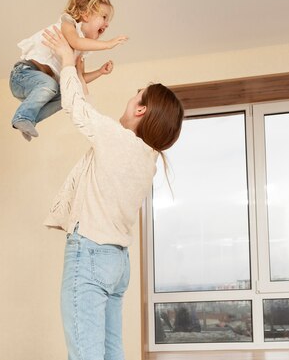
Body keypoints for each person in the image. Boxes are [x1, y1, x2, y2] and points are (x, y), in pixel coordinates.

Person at [42, 26, 184, 360]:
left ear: (140, 110)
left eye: (137, 95)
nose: (132, 98)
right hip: (117, 262)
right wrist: (77, 73)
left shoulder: (117, 142)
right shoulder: (146, 160)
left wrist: (65, 58)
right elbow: (97, 125)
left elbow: (80, 112)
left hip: (90, 254)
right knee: (109, 352)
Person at [10, 0, 128, 141]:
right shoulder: (68, 24)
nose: (107, 24)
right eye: (104, 17)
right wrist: (107, 44)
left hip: (39, 88)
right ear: (85, 14)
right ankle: (22, 115)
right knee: (51, 84)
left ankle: (28, 119)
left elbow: (78, 79)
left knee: (67, 96)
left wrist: (99, 72)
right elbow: (75, 41)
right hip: (23, 75)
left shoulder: (80, 52)